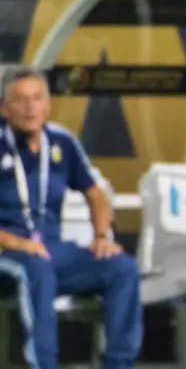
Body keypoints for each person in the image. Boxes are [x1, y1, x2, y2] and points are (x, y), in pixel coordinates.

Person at [0, 68, 142, 369]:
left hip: (52, 250)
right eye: (21, 100)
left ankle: (119, 364)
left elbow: (96, 194)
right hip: (7, 252)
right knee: (36, 269)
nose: (30, 107)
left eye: (37, 98)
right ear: (3, 108)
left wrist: (102, 236)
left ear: (48, 105)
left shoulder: (62, 142)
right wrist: (18, 243)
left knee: (123, 269)